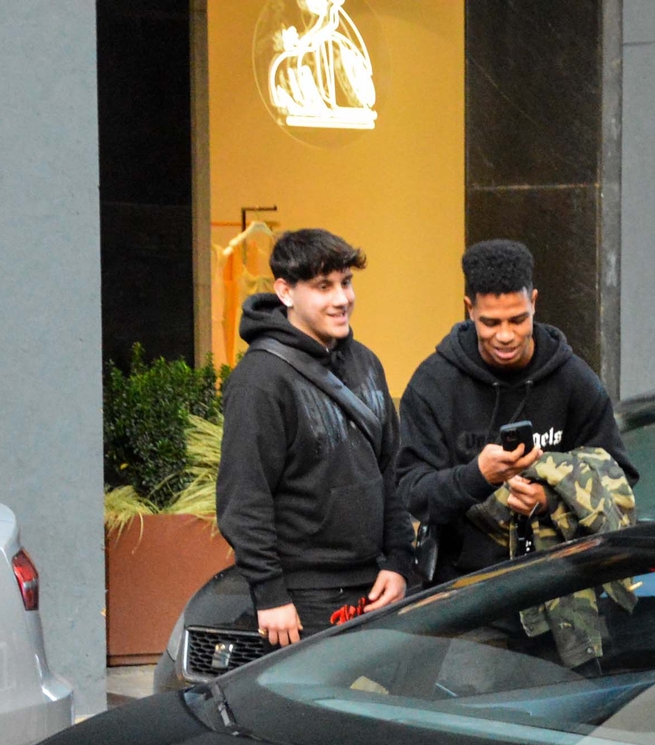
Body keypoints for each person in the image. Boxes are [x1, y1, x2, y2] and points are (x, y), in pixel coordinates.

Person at [215, 227, 413, 646]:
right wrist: (270, 595)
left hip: (377, 586)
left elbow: (390, 472)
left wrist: (399, 562)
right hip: (304, 599)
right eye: (323, 287)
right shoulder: (260, 381)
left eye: (346, 282)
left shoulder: (366, 364)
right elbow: (244, 497)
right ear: (285, 292)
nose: (341, 299)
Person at [398, 239, 633, 580]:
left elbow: (620, 477)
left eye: (518, 320)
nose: (506, 336)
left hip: (557, 582)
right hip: (462, 588)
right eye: (491, 323)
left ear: (534, 303)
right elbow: (412, 492)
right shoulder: (433, 383)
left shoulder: (574, 380)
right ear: (469, 309)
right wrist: (478, 476)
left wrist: (551, 499)